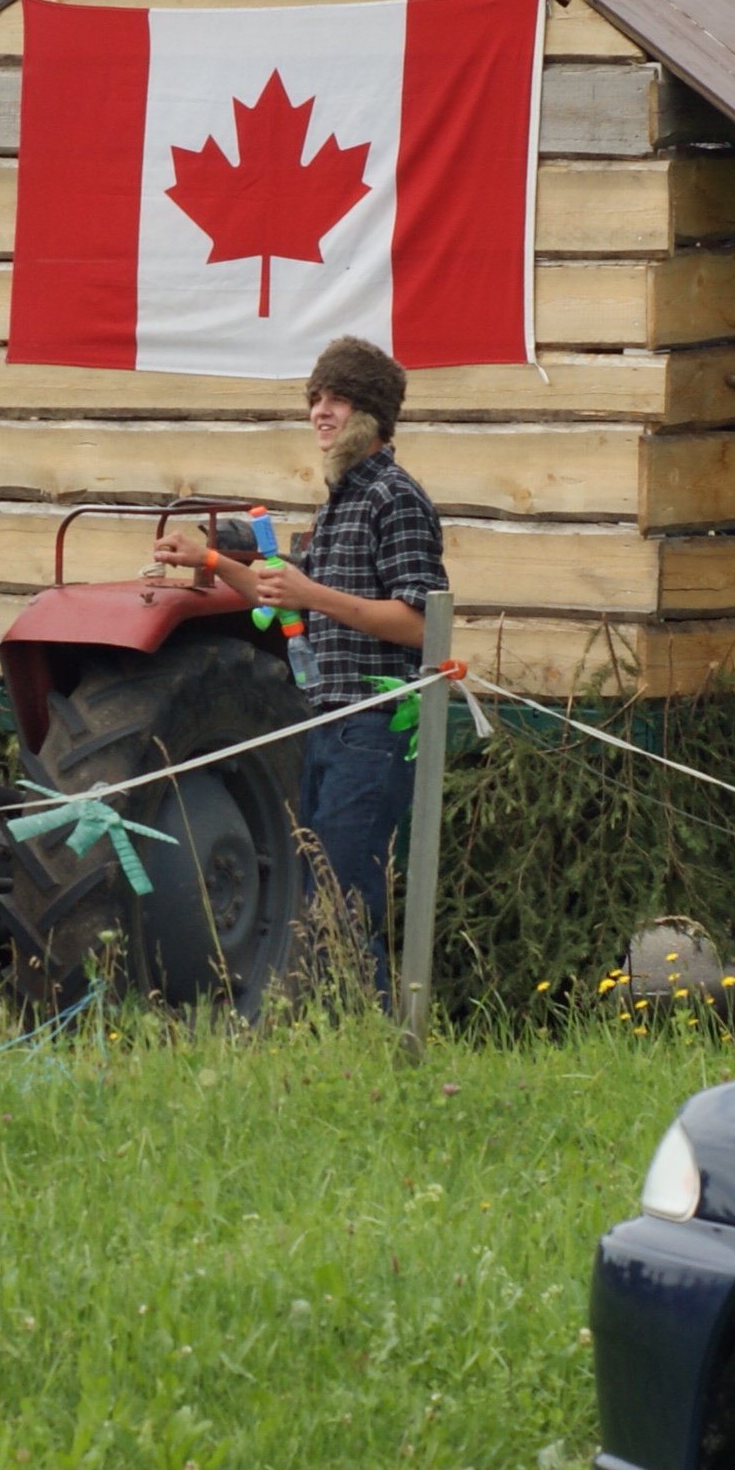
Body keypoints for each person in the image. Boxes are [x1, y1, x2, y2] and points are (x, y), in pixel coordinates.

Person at [250, 336, 450, 989]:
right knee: (319, 901)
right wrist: (208, 562)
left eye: (337, 399)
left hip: (376, 725)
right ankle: (343, 1032)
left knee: (342, 902)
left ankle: (369, 1032)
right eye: (315, 398)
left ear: (372, 416)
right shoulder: (339, 501)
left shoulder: (395, 496)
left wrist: (310, 594)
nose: (320, 412)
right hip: (329, 723)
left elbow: (422, 624)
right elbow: (285, 595)